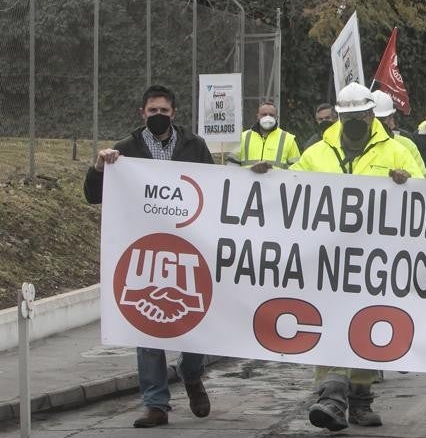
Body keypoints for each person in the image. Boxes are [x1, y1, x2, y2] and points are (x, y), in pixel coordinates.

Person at [283, 82, 426, 431]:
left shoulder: (396, 151)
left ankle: (361, 400)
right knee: (330, 322)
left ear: (371, 114)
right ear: (339, 116)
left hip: (377, 260)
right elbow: (287, 192)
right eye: (348, 116)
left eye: (361, 114)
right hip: (328, 260)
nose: (355, 120)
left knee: (366, 326)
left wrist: (409, 182)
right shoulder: (316, 153)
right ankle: (331, 396)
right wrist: (264, 178)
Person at [83, 85, 214, 429]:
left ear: (174, 113)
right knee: (147, 326)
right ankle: (156, 404)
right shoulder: (124, 151)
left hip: (189, 248)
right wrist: (99, 167)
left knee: (194, 324)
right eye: (152, 111)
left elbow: (217, 191)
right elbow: (93, 196)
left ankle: (191, 374)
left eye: (164, 112)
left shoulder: (194, 146)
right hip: (146, 250)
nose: (158, 116)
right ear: (142, 113)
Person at [229, 100, 301, 168]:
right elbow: (231, 166)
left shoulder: (288, 139)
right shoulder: (243, 137)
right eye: (264, 114)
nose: (268, 117)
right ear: (258, 116)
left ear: (277, 117)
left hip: (276, 181)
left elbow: (296, 169)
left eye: (271, 115)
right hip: (247, 181)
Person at [370, 90, 421, 162]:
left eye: (381, 119)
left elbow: (422, 173)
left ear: (391, 117)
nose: (377, 123)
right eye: (374, 119)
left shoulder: (407, 145)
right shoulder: (355, 146)